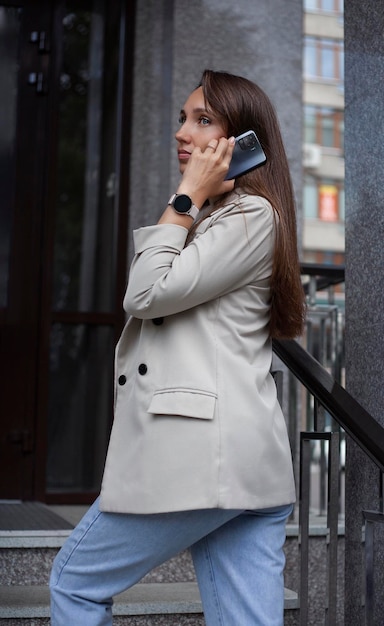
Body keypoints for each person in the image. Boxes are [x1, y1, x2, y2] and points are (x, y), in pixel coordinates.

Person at [50, 69, 305, 626]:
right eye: (181, 119)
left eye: (203, 120)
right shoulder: (226, 218)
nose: (182, 132)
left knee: (75, 582)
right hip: (238, 466)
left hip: (203, 460)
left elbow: (145, 293)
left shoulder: (250, 217)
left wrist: (185, 195)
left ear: (242, 143)